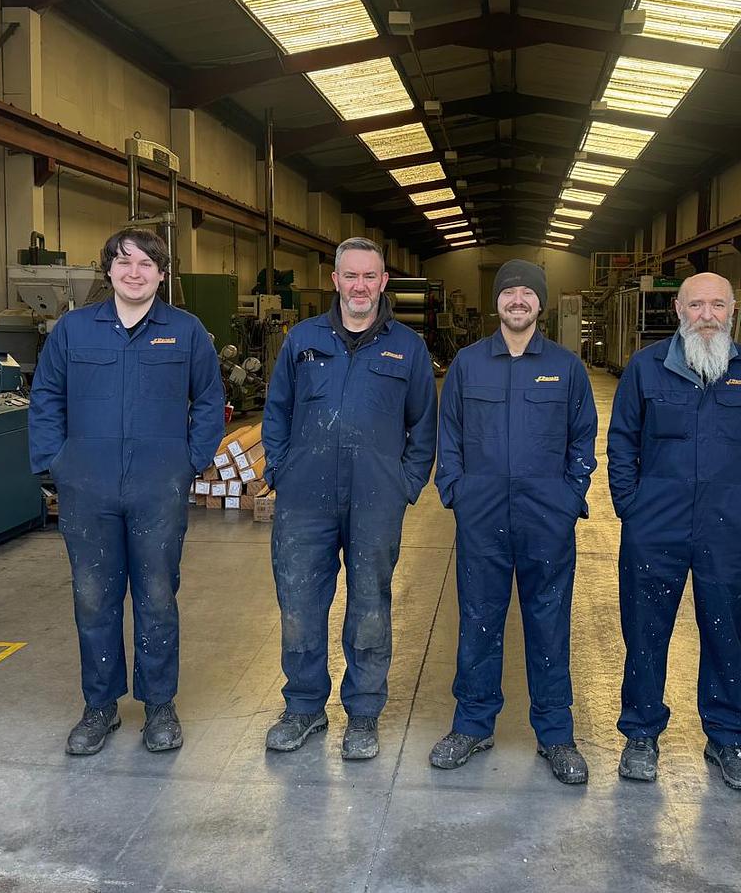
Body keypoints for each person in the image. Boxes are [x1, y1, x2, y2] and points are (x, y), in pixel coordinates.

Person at [29, 228, 225, 756]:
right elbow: (45, 396)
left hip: (158, 487)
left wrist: (190, 461)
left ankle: (159, 704)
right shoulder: (73, 330)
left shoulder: (186, 331)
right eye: (123, 262)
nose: (133, 273)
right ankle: (100, 707)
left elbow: (210, 399)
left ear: (162, 273)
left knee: (157, 596)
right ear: (108, 270)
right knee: (93, 598)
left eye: (145, 264)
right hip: (87, 487)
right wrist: (56, 463)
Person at [606, 271, 741, 789]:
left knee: (726, 633)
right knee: (645, 632)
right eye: (697, 305)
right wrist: (632, 507)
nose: (707, 315)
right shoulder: (646, 368)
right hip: (655, 525)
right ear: (679, 311)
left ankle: (728, 739)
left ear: (733, 311)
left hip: (728, 528)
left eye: (718, 305)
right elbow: (622, 442)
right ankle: (641, 735)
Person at [261, 237, 437, 760]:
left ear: (384, 282)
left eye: (370, 276)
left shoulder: (408, 348)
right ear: (335, 280)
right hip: (305, 499)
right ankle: (304, 707)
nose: (360, 286)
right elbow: (276, 410)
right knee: (299, 604)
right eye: (351, 276)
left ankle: (362, 713)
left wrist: (404, 484)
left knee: (369, 606)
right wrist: (281, 470)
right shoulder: (302, 340)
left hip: (376, 499)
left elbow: (423, 426)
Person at [429, 260, 598, 784]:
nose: (518, 300)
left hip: (547, 519)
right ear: (497, 302)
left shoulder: (566, 367)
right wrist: (456, 491)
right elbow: (449, 434)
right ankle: (472, 724)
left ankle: (556, 734)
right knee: (479, 619)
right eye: (509, 292)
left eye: (528, 292)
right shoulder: (468, 364)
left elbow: (583, 438)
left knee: (549, 622)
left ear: (540, 304)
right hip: (481, 517)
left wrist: (569, 497)